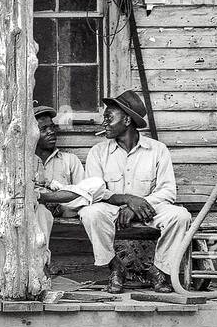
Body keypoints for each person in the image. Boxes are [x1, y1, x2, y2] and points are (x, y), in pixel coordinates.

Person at [79, 90, 192, 294]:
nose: (104, 122)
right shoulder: (98, 152)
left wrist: (140, 204)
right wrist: (128, 200)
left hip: (149, 210)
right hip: (113, 211)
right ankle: (115, 267)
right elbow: (94, 192)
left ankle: (158, 271)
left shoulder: (158, 150)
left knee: (180, 216)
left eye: (108, 117)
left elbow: (167, 191)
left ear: (127, 120)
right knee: (90, 213)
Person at [32, 104, 94, 268]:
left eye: (52, 127)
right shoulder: (23, 162)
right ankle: (41, 265)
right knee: (41, 212)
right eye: (44, 129)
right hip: (33, 212)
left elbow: (84, 194)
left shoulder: (69, 160)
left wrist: (58, 202)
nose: (51, 132)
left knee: (94, 188)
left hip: (65, 209)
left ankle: (40, 266)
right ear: (31, 134)